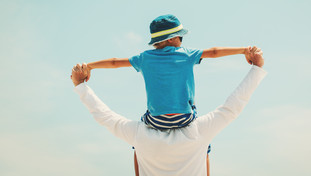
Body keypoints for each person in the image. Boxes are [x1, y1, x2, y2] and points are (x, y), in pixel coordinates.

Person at [72, 46, 266, 176]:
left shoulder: (140, 135)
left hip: (147, 141)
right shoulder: (198, 133)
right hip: (193, 138)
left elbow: (104, 116)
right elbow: (233, 107)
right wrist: (256, 69)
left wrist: (80, 85)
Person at [85, 14, 255, 130]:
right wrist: (244, 50)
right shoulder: (187, 54)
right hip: (185, 118)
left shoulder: (144, 58)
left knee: (137, 145)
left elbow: (115, 63)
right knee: (205, 146)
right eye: (181, 37)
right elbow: (215, 51)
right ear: (173, 38)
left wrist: (90, 66)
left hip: (156, 120)